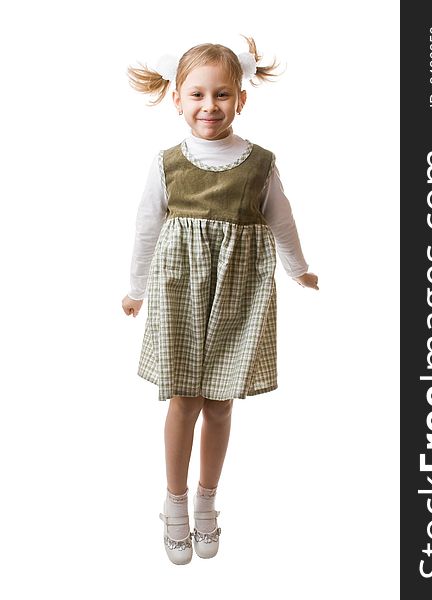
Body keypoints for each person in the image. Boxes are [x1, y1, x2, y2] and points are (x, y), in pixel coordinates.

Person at [121, 35, 319, 565]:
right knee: (183, 398)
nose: (210, 106)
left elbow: (282, 217)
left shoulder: (260, 162)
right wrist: (136, 288)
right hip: (179, 287)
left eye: (223, 95)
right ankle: (174, 501)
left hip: (239, 288)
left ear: (241, 99)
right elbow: (146, 226)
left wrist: (299, 268)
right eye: (198, 95)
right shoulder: (167, 163)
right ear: (178, 99)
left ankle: (208, 499)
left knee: (221, 401)